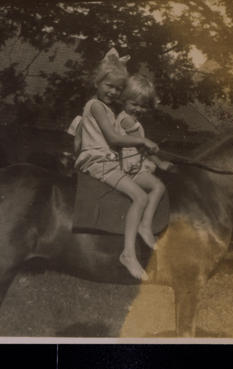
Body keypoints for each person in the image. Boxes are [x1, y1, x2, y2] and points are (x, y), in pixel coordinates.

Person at [73, 49, 159, 281]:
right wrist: (142, 139)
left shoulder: (106, 109)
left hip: (106, 161)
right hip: (100, 163)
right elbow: (113, 139)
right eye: (109, 86)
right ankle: (129, 253)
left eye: (119, 89)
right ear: (97, 82)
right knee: (141, 197)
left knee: (143, 188)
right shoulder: (97, 107)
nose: (113, 91)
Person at [115, 74, 173, 252]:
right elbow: (142, 146)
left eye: (143, 106)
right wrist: (160, 162)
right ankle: (145, 226)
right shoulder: (127, 120)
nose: (138, 109)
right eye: (134, 103)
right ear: (124, 100)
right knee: (158, 187)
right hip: (130, 168)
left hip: (135, 164)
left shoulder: (132, 119)